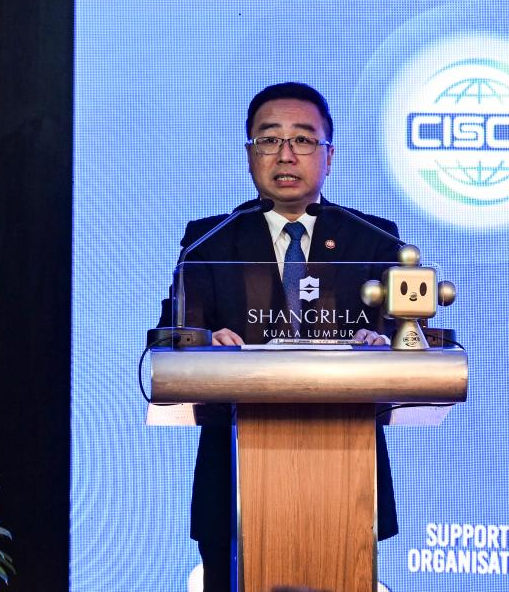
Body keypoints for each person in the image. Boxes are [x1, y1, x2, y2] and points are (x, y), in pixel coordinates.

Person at [158, 82, 399, 591]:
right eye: (269, 139)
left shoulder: (373, 239)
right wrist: (204, 342)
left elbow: (402, 336)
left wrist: (380, 344)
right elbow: (175, 336)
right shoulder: (210, 240)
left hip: (347, 479)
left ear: (329, 156)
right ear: (250, 154)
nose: (286, 154)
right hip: (233, 477)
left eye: (303, 139)